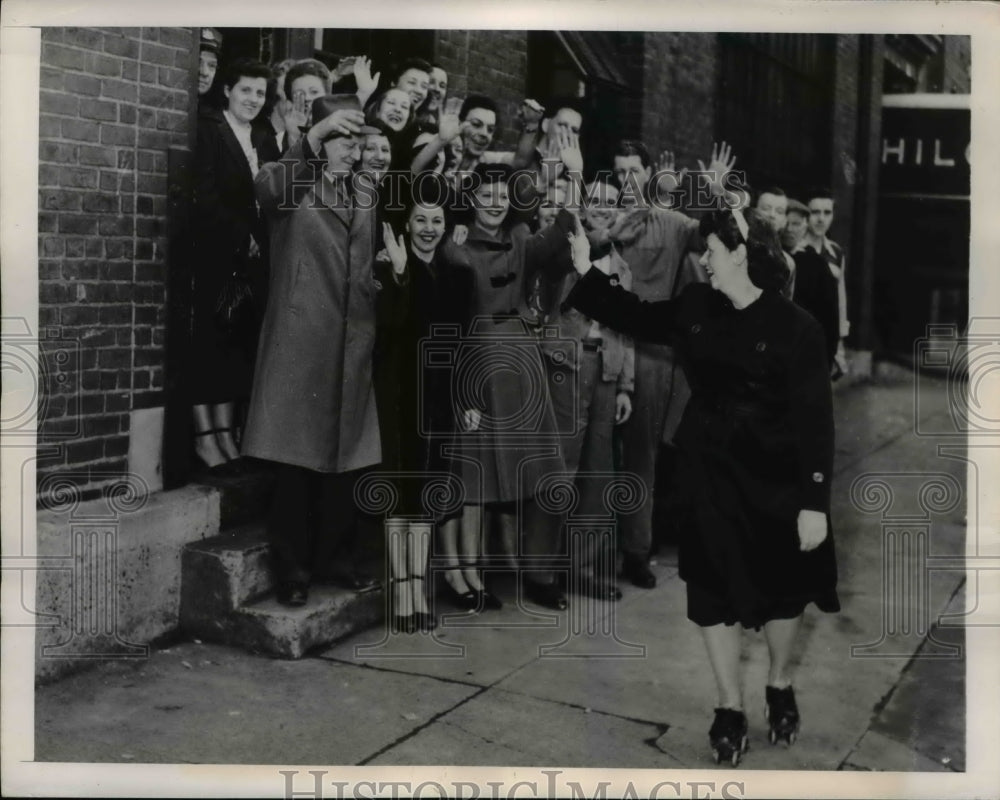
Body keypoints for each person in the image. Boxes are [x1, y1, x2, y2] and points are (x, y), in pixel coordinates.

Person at [564, 206, 838, 764]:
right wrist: (586, 271)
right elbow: (633, 314)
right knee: (711, 590)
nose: (703, 259)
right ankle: (728, 706)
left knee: (783, 592)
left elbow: (816, 422)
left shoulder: (798, 328)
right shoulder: (696, 308)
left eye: (711, 250)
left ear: (739, 253)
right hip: (710, 473)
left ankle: (780, 683)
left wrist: (814, 501)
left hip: (778, 480)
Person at [243, 95, 383, 607]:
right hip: (301, 344)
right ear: (320, 138)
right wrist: (312, 138)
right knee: (296, 467)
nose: (352, 149)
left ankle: (336, 559)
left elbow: (363, 263)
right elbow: (269, 194)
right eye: (341, 138)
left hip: (351, 343)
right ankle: (293, 571)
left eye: (356, 140)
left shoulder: (366, 191)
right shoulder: (290, 178)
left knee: (346, 462)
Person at [439, 163, 579, 611]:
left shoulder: (520, 237)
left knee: (537, 468)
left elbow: (557, 239)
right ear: (472, 199)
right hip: (478, 360)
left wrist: (572, 182)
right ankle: (462, 573)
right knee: (474, 471)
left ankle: (515, 573)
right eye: (486, 195)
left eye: (502, 195)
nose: (495, 203)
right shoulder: (455, 245)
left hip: (521, 363)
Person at [599, 139, 733, 589]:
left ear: (650, 172)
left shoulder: (672, 224)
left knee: (641, 458)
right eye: (619, 172)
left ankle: (636, 551)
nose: (626, 180)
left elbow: (714, 235)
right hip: (603, 346)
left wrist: (714, 191)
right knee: (597, 455)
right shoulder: (602, 218)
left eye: (634, 171)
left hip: (650, 355)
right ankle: (592, 553)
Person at [372, 183, 478, 629]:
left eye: (437, 221)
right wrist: (397, 276)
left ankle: (419, 591)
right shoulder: (391, 266)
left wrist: (466, 399)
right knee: (402, 495)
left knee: (426, 498)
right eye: (421, 220)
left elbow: (464, 344)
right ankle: (402, 596)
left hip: (438, 399)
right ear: (407, 223)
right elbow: (388, 330)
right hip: (398, 396)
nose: (429, 229)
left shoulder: (459, 276)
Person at [537, 177, 635, 600]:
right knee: (560, 467)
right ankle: (541, 573)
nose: (604, 208)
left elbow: (626, 326)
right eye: (596, 201)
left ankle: (581, 569)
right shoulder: (566, 250)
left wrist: (626, 385)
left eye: (612, 203)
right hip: (566, 365)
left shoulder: (622, 265)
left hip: (605, 371)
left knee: (598, 472)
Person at [190, 57, 270, 469]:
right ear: (228, 91)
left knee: (235, 347)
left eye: (260, 92)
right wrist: (243, 236)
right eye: (246, 90)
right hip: (218, 256)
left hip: (252, 264)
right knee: (211, 344)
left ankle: (225, 436)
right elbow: (203, 195)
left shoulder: (262, 135)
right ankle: (207, 439)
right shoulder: (210, 130)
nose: (253, 99)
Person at [784, 199, 840, 369]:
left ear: (805, 225)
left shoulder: (817, 264)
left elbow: (830, 318)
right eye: (786, 223)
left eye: (796, 224)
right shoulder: (772, 256)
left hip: (804, 350)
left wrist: (827, 361)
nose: (790, 229)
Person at [803, 188, 849, 379]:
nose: (821, 219)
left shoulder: (835, 253)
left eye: (827, 213)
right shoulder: (796, 248)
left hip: (825, 336)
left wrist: (840, 345)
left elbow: (840, 300)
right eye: (815, 212)